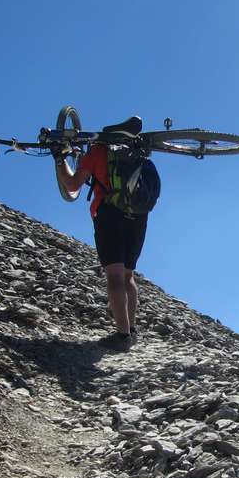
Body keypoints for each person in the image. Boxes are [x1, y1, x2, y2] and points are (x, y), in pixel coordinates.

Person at [56, 116, 146, 351]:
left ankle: (123, 336)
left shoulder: (97, 151)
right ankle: (132, 329)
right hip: (138, 217)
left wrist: (60, 159)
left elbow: (72, 185)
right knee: (128, 276)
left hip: (109, 215)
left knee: (114, 277)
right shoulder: (135, 150)